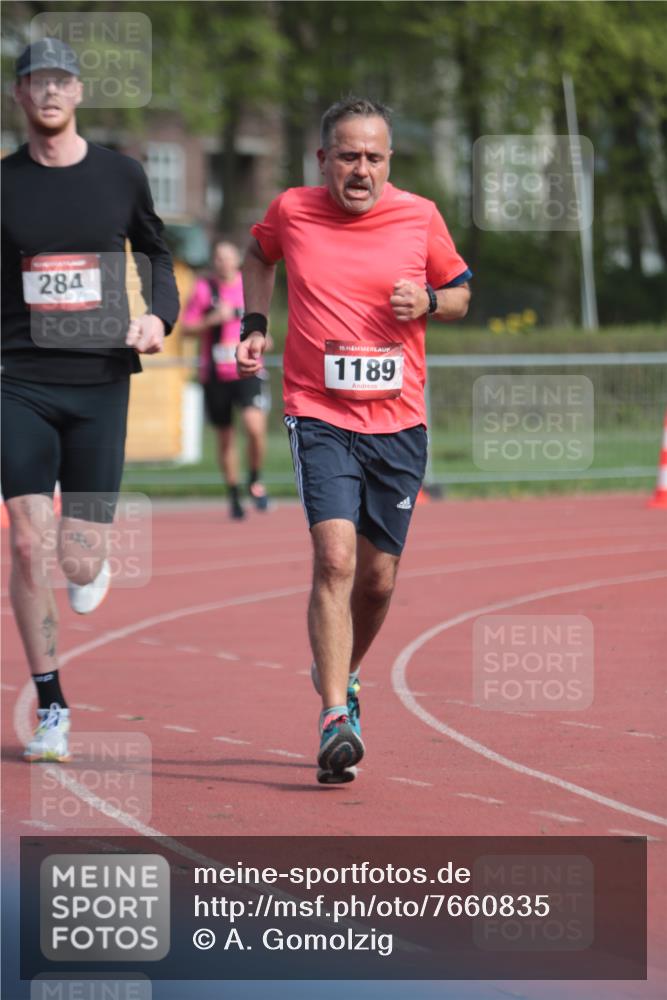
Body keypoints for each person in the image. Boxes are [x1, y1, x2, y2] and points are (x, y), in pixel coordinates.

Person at [238, 96, 472, 784]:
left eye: (373, 156)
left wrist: (428, 302)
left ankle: (343, 671)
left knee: (376, 579)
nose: (361, 168)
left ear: (388, 161)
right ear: (323, 160)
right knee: (335, 559)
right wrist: (253, 323)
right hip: (318, 413)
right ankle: (334, 717)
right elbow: (257, 257)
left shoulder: (418, 215)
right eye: (348, 155)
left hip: (398, 422)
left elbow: (460, 290)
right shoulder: (292, 210)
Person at [1, 39, 179, 762]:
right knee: (23, 541)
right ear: (19, 95)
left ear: (78, 92)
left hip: (101, 381)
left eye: (61, 81)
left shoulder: (121, 175)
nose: (49, 92)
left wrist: (157, 317)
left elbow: (157, 253)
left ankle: (92, 558)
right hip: (16, 380)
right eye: (36, 81)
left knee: (77, 561)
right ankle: (52, 707)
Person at [181, 240, 270, 519]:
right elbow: (186, 328)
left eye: (229, 258)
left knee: (254, 427)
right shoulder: (204, 288)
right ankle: (233, 494)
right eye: (219, 258)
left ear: (238, 261)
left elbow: (266, 330)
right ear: (214, 261)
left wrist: (261, 340)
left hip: (249, 369)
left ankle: (254, 479)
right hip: (216, 373)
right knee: (226, 437)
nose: (224, 263)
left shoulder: (249, 286)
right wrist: (212, 320)